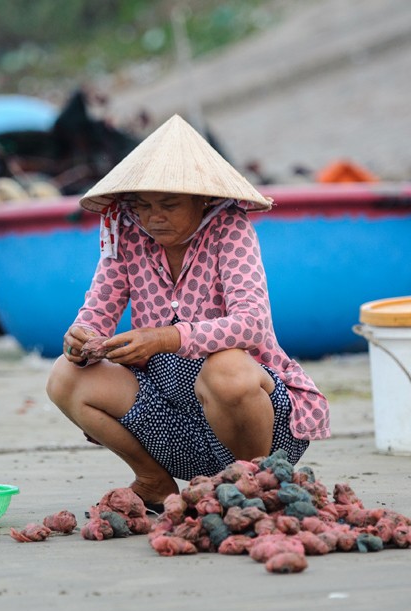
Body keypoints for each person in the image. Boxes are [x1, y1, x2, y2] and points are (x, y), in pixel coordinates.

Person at [45, 115, 330, 510]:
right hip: (176, 422)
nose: (152, 217)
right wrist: (80, 338)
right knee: (65, 376)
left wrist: (165, 337)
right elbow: (97, 311)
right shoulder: (127, 233)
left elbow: (253, 325)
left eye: (169, 204)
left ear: (203, 200)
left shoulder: (230, 228)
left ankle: (251, 483)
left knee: (228, 367)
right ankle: (154, 482)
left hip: (257, 423)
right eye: (142, 205)